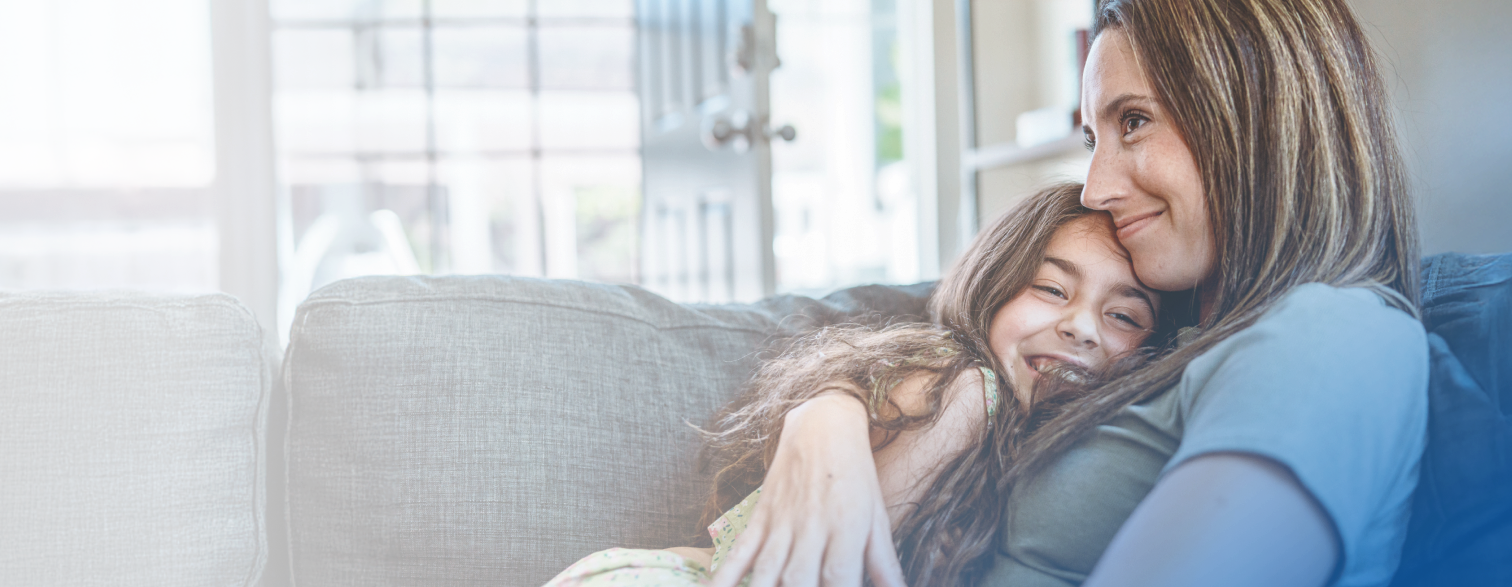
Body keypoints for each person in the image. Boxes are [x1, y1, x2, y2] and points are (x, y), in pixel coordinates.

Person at [708, 0, 1429, 586]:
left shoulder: (1330, 337)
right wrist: (826, 415)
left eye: (1134, 120)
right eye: (1093, 136)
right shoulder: (1172, 336)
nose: (1095, 188)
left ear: (1259, 115)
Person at [542, 183, 1174, 587]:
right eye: (1052, 289)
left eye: (1123, 316)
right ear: (993, 287)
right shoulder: (966, 392)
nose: (1082, 327)